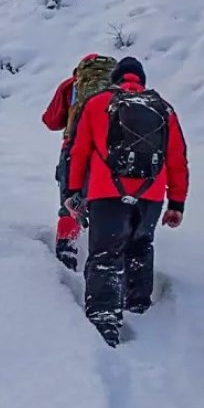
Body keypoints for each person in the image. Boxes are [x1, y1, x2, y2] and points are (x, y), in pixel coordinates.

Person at [65, 57, 189, 347]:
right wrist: (177, 204)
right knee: (140, 247)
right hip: (151, 196)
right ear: (141, 81)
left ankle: (104, 320)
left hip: (105, 193)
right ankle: (139, 310)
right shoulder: (164, 109)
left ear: (116, 79)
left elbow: (80, 151)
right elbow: (177, 160)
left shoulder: (97, 103)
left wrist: (73, 191)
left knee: (105, 255)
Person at [42, 54, 117, 271]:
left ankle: (67, 256)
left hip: (72, 150)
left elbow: (51, 120)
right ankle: (104, 261)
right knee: (106, 207)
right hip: (106, 154)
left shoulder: (71, 85)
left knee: (70, 205)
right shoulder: (118, 88)